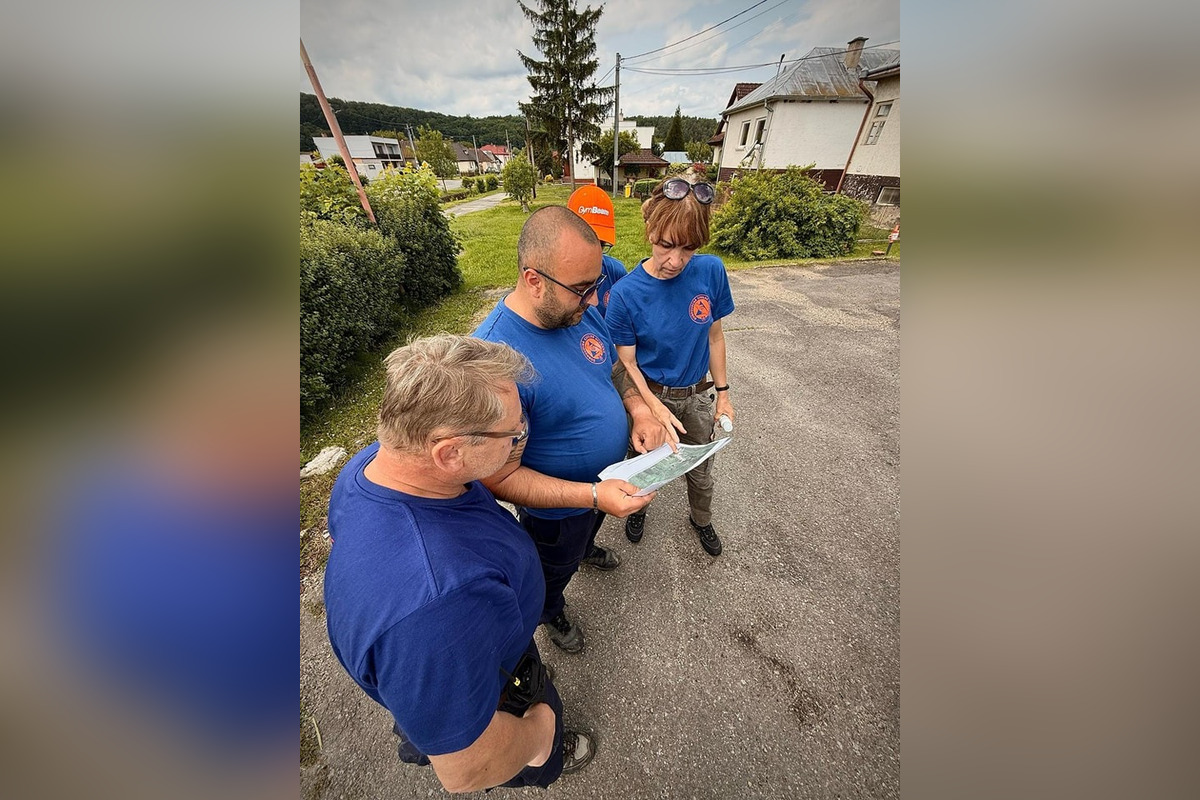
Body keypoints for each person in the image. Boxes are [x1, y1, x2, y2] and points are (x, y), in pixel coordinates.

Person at [323, 335, 595, 792]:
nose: (520, 437)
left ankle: (424, 720)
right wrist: (539, 732)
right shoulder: (439, 607)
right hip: (501, 690)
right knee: (512, 748)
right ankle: (546, 759)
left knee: (431, 705)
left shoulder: (371, 467)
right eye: (513, 433)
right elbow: (465, 769)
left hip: (454, 658)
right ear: (449, 453)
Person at [473, 205, 664, 654]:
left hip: (604, 488)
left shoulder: (578, 311)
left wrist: (636, 408)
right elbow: (496, 477)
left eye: (595, 285)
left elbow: (613, 370)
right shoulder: (494, 364)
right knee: (550, 568)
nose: (595, 300)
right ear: (533, 280)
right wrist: (593, 496)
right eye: (582, 289)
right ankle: (551, 609)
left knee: (584, 537)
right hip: (557, 514)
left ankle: (585, 550)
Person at [604, 176, 736, 557]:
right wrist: (650, 407)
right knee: (642, 463)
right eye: (665, 245)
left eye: (688, 248)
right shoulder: (627, 293)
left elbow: (714, 337)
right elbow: (625, 363)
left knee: (700, 467)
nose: (675, 261)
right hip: (649, 395)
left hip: (696, 397)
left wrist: (724, 395)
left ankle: (701, 519)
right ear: (650, 230)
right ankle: (638, 510)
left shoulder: (711, 271)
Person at [567, 184, 627, 316]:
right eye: (585, 243)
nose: (592, 254)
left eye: (600, 244)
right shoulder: (556, 279)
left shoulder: (616, 272)